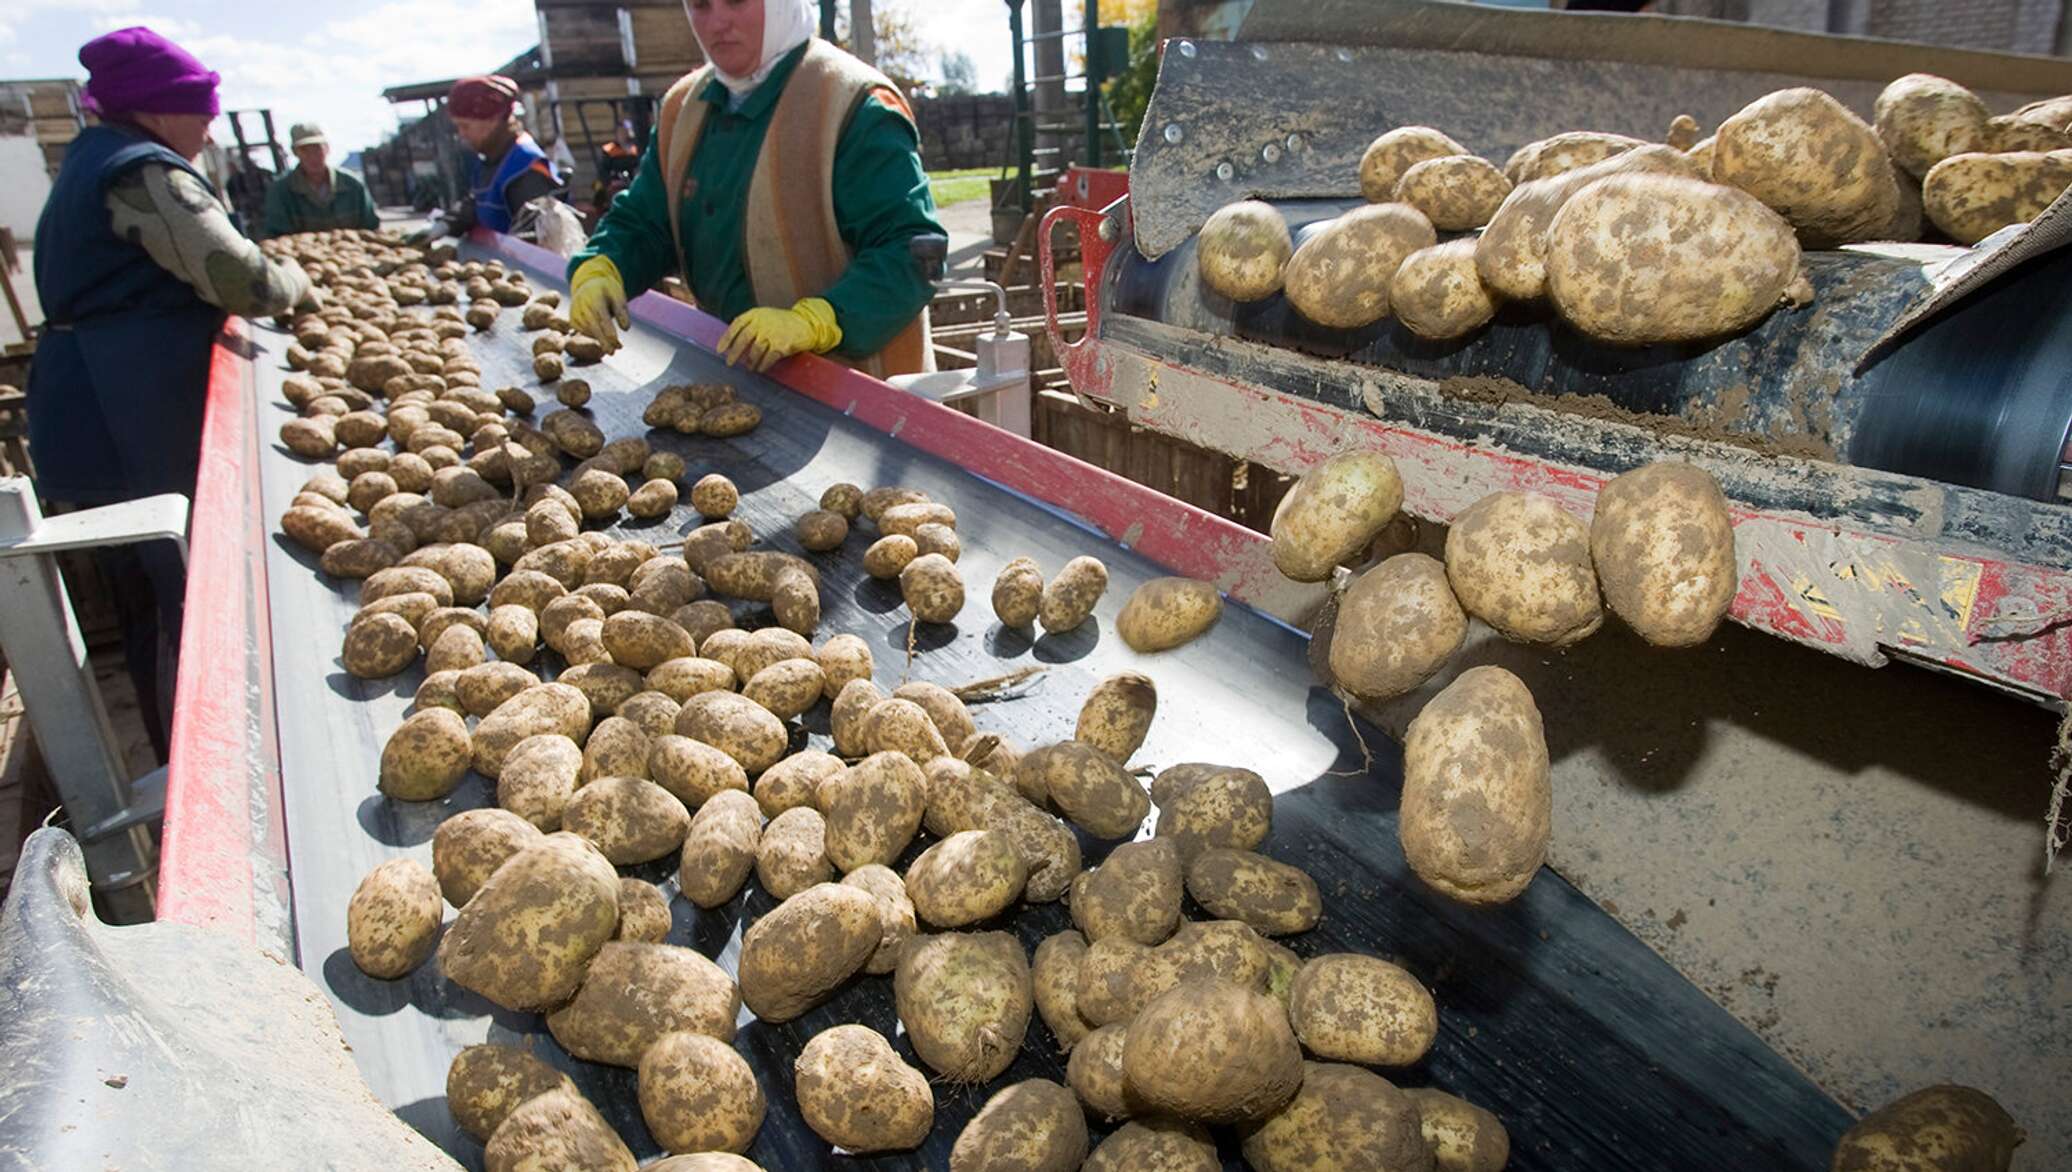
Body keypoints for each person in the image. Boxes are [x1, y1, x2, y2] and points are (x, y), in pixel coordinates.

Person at [28, 27, 314, 757]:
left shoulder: (97, 158)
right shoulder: (142, 172)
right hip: (122, 409)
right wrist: (297, 283)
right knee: (172, 592)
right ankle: (201, 759)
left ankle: (182, 742)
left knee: (147, 590)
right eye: (201, 110)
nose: (209, 126)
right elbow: (239, 278)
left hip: (104, 395)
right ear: (158, 111)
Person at [566, 0, 943, 378]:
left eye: (736, 1)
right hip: (734, 377)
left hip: (860, 398)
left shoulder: (852, 103)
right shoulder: (683, 109)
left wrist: (819, 320)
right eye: (700, 5)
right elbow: (647, 223)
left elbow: (911, 250)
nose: (717, 22)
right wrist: (605, 266)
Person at [439, 75, 562, 237]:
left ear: (493, 119)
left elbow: (542, 236)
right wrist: (447, 224)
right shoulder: (489, 159)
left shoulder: (526, 166)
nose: (461, 134)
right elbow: (477, 203)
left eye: (465, 126)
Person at [262, 122, 379, 237]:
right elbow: (276, 236)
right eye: (304, 150)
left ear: (327, 149)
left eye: (317, 148)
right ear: (295, 152)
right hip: (300, 254)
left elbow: (371, 227)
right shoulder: (280, 191)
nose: (313, 156)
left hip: (355, 253)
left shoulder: (353, 185)